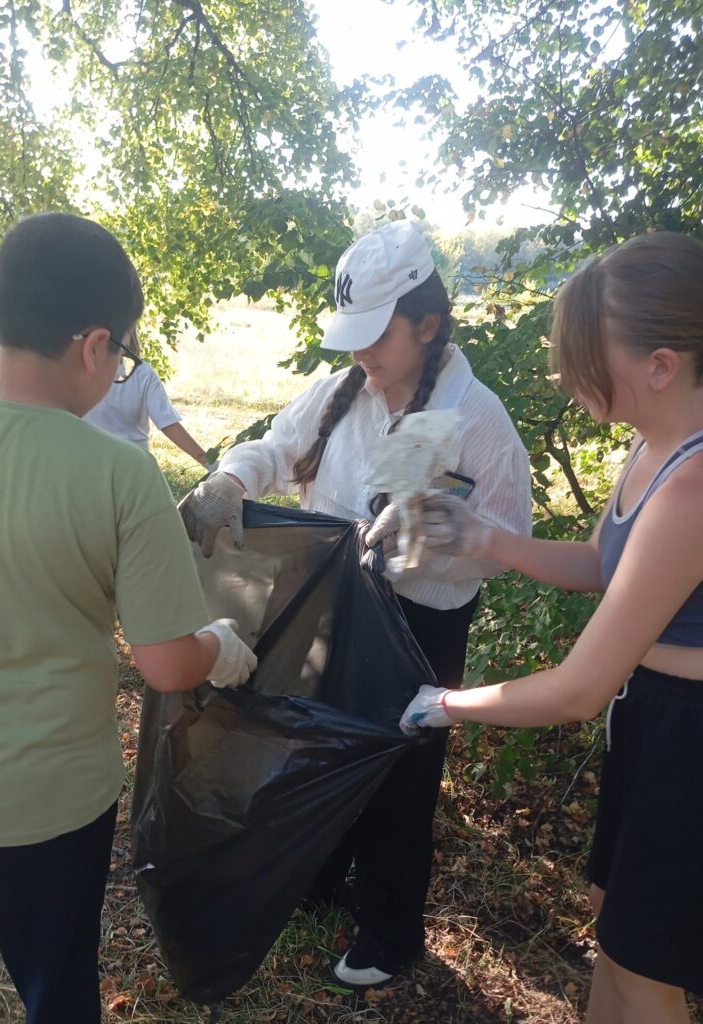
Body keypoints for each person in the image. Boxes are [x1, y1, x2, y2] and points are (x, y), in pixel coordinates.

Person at [179, 219, 532, 988]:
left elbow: (511, 544)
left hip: (420, 624)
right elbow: (278, 447)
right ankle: (319, 878)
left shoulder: (476, 420)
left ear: (427, 323)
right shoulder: (341, 391)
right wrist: (233, 479)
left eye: (377, 337)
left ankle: (390, 927)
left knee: (401, 772)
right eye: (355, 337)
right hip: (330, 605)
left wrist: (439, 535)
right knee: (320, 742)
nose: (361, 355)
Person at [0, 212, 257, 1024]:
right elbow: (164, 664)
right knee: (56, 988)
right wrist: (220, 643)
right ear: (93, 345)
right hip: (48, 796)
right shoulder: (119, 474)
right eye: (121, 358)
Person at [399, 232, 703, 1024]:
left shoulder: (691, 488)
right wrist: (483, 539)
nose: (567, 381)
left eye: (581, 361)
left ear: (658, 366)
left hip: (689, 742)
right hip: (649, 721)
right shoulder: (653, 449)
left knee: (645, 970)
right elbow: (608, 565)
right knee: (614, 930)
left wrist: (443, 703)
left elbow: (576, 689)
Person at [84, 330, 209, 467]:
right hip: (134, 463)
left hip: (91, 462)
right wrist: (209, 463)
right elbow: (168, 422)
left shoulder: (78, 372)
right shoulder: (143, 372)